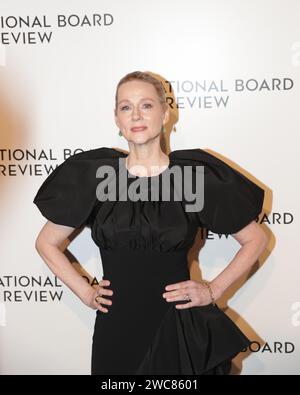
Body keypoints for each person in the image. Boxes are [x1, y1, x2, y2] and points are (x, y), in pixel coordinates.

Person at [33, 71, 268, 375]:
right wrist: (86, 292)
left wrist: (213, 291)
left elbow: (256, 239)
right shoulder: (100, 178)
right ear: (117, 119)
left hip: (177, 325)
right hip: (116, 328)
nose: (136, 115)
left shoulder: (190, 179)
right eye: (126, 107)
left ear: (165, 113)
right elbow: (45, 243)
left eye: (146, 105)